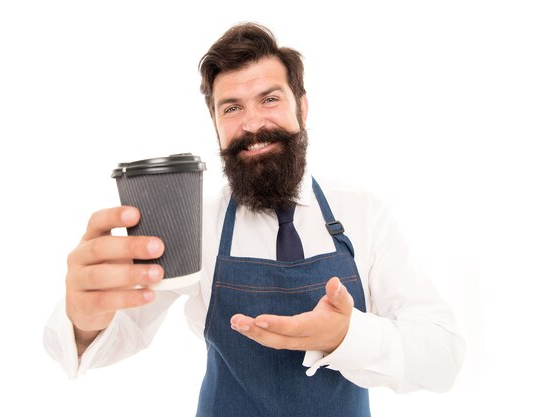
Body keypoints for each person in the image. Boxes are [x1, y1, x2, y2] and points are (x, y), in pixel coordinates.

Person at [44, 22, 465, 417]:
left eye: (269, 99)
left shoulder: (365, 213)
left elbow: (443, 355)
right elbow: (119, 334)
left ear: (302, 107)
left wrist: (346, 336)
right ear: (215, 125)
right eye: (231, 109)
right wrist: (84, 319)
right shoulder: (197, 223)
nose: (252, 124)